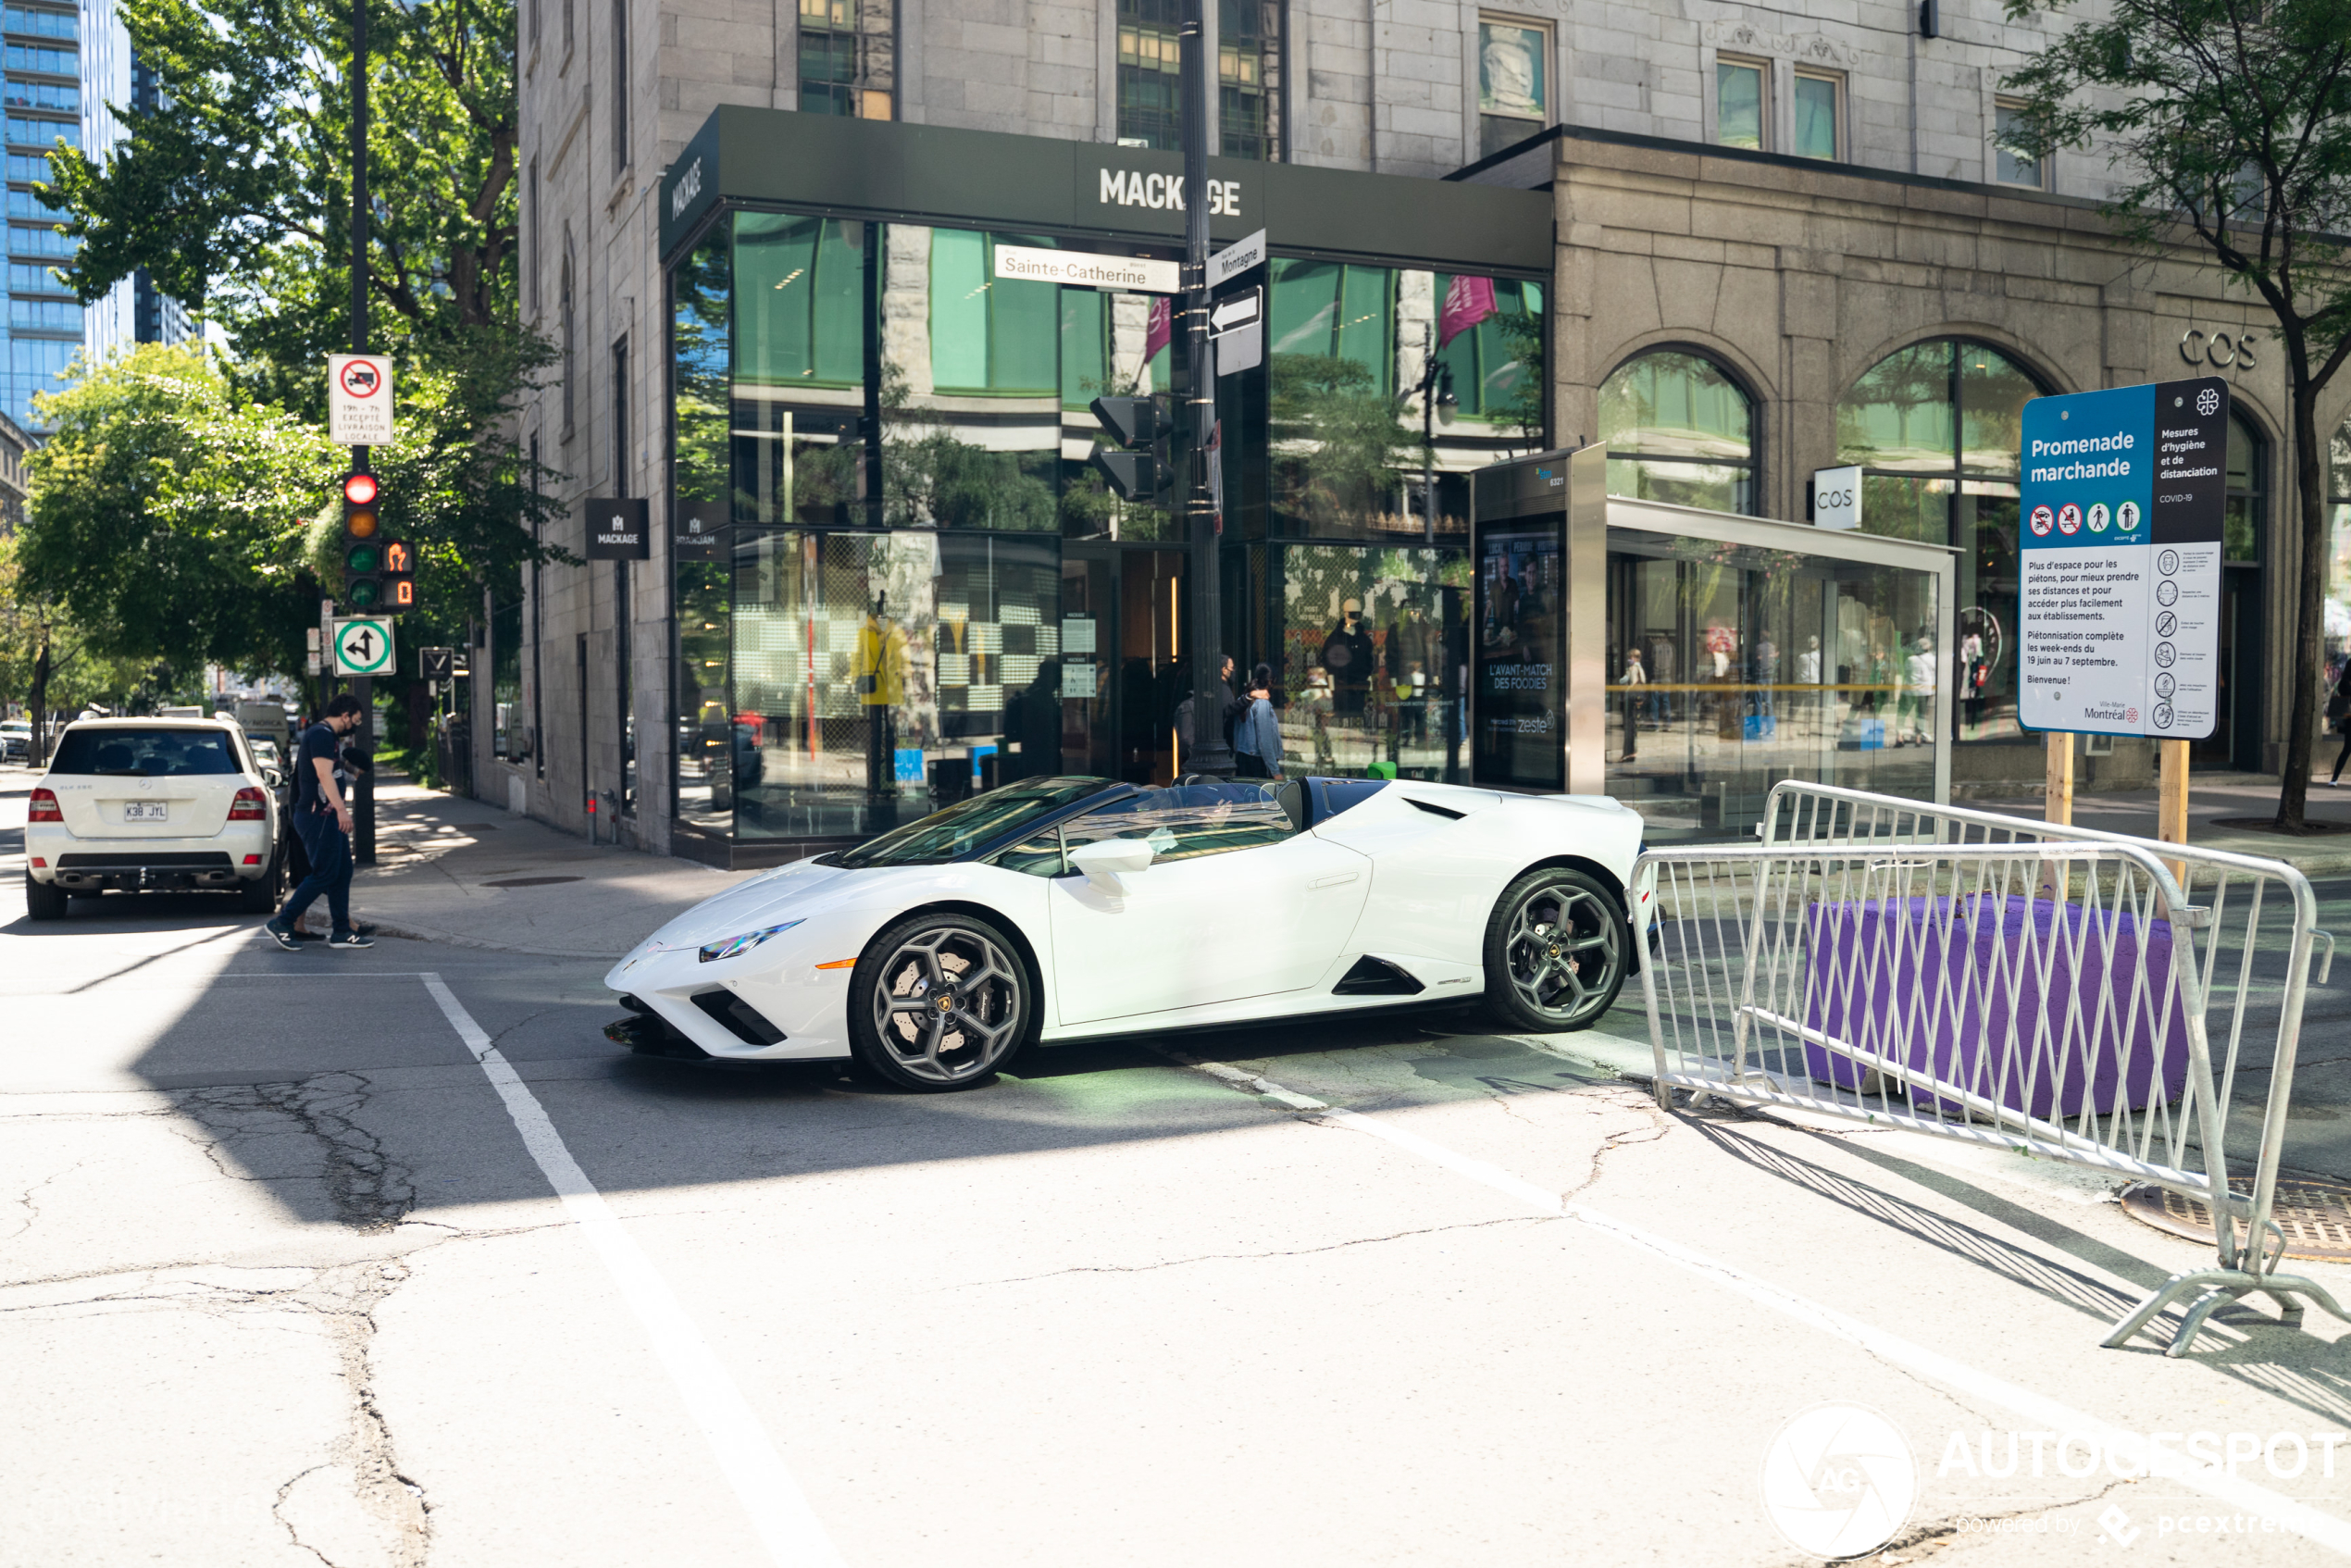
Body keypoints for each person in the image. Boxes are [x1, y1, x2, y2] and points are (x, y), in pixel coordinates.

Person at [265, 694, 373, 951]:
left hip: (326, 816)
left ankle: (342, 932)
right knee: (324, 873)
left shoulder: (327, 737)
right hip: (319, 816)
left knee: (342, 872)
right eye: (354, 721)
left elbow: (331, 774)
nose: (353, 727)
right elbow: (323, 775)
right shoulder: (322, 735)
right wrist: (341, 810)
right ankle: (283, 922)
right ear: (344, 715)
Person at [1234, 664, 1283, 778]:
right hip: (1257, 761)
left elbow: (1236, 731)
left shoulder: (1244, 699)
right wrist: (1275, 771)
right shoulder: (1262, 703)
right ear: (1271, 681)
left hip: (1243, 757)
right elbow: (1265, 740)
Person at [2329, 658, 2351, 786]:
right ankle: (2334, 778)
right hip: (2349, 719)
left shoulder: (2344, 683)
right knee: (2347, 748)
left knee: (2347, 748)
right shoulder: (2344, 684)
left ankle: (2334, 778)